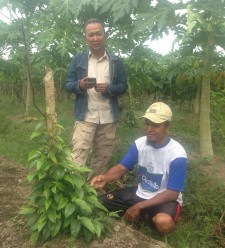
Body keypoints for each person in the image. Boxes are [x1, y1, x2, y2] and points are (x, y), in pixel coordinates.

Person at [91, 102, 188, 235]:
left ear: (167, 127)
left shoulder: (177, 154)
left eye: (155, 125)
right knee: (99, 203)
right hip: (140, 192)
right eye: (147, 123)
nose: (149, 128)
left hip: (164, 199)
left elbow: (172, 193)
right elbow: (121, 167)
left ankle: (145, 216)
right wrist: (104, 178)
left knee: (163, 223)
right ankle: (143, 216)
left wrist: (139, 206)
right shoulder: (140, 144)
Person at [65, 18, 128, 180]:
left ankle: (92, 194)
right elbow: (68, 84)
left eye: (98, 34)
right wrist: (80, 85)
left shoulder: (116, 61)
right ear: (86, 37)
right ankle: (74, 192)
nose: (95, 38)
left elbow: (123, 86)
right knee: (77, 157)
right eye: (91, 34)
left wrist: (108, 89)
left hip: (108, 118)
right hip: (85, 116)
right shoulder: (78, 59)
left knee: (101, 160)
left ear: (104, 35)